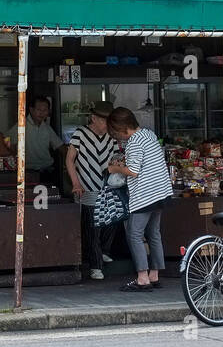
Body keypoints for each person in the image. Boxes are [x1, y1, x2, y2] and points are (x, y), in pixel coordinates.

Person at [106, 106, 172, 292]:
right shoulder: (149, 135)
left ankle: (142, 278)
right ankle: (154, 274)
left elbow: (133, 172)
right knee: (154, 233)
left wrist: (115, 169)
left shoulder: (134, 142)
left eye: (116, 132)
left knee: (134, 234)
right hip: (161, 192)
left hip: (145, 195)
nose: (117, 136)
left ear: (122, 127)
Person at [66, 100, 116, 280]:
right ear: (93, 118)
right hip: (87, 187)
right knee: (92, 228)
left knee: (111, 222)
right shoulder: (80, 134)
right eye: (103, 120)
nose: (106, 124)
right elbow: (69, 160)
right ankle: (96, 266)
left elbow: (117, 157)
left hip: (109, 187)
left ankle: (102, 252)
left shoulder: (112, 136)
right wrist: (75, 183)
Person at [11, 93, 64, 184]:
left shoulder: (47, 128)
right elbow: (7, 143)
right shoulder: (21, 126)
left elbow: (61, 147)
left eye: (45, 110)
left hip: (47, 172)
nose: (42, 113)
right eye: (39, 110)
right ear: (31, 110)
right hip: (28, 173)